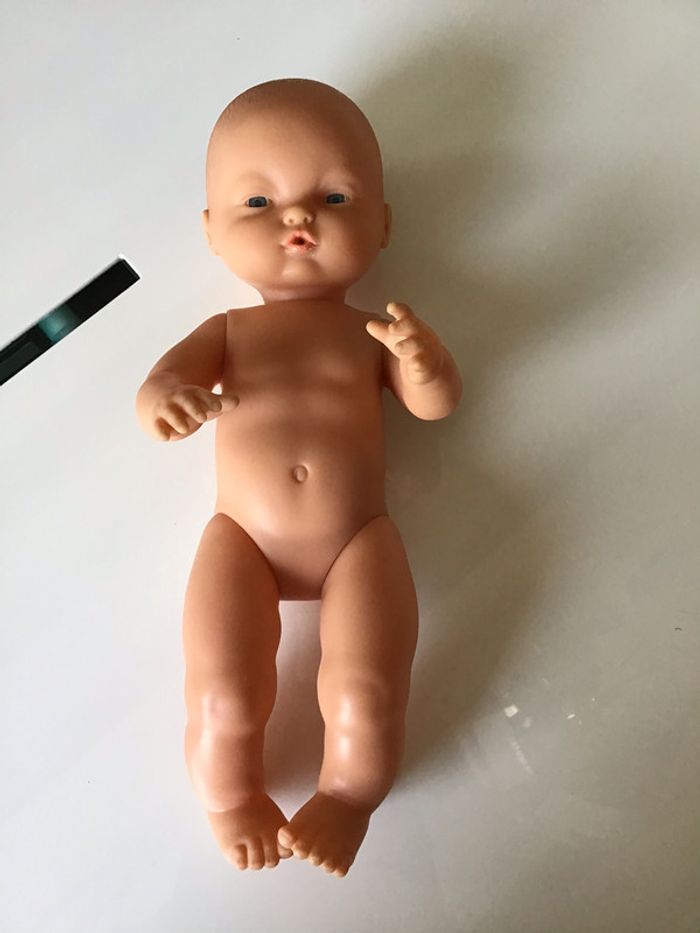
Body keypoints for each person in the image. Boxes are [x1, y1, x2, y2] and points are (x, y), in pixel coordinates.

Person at [135, 77, 462, 876]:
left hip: (358, 540)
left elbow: (435, 406)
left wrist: (425, 362)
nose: (297, 218)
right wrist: (168, 402)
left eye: (334, 196)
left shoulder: (372, 331)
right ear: (211, 231)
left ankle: (348, 796)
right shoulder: (228, 329)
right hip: (241, 539)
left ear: (382, 224)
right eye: (257, 202)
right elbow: (155, 390)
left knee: (366, 689)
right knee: (223, 692)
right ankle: (229, 798)